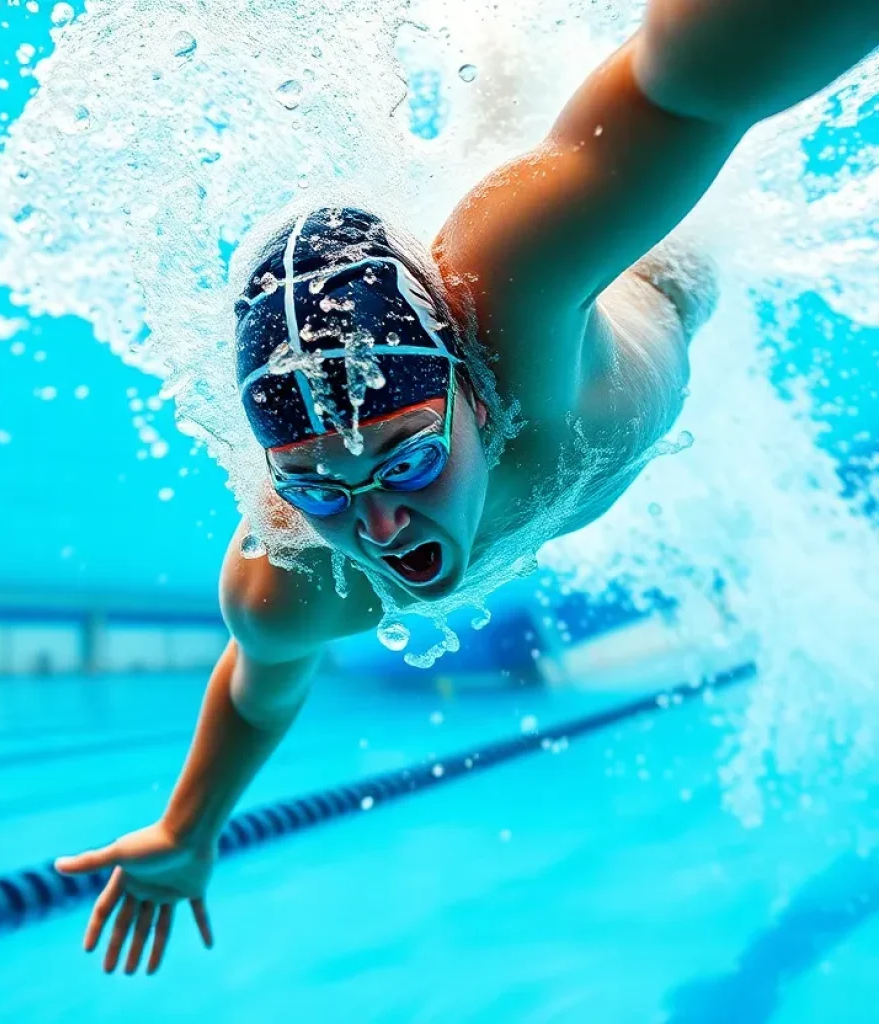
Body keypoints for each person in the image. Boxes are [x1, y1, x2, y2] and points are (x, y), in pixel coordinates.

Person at [55, 0, 879, 975]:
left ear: (477, 402)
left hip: (652, 278)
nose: (377, 521)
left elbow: (676, 93)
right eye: (319, 488)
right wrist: (187, 828)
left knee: (515, 101)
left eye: (405, 460)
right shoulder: (293, 577)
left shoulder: (511, 291)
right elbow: (257, 685)